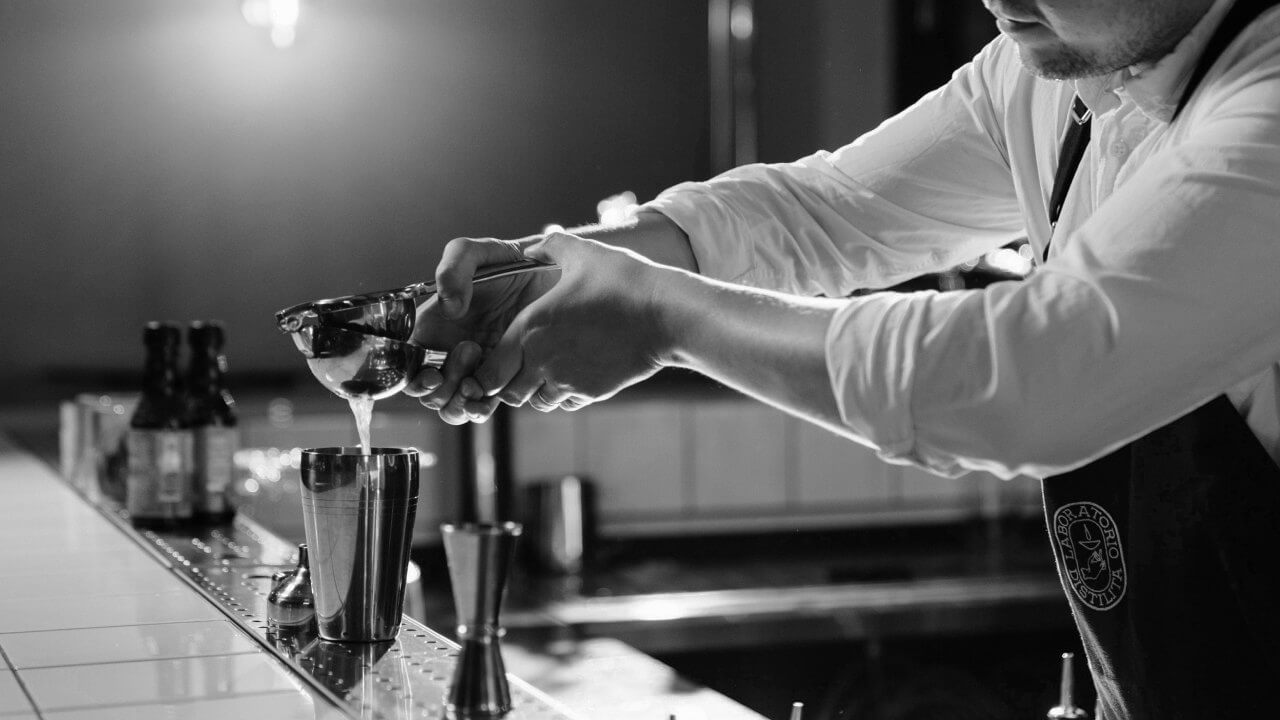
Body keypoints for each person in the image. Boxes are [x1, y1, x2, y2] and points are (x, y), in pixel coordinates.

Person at [406, 0, 1280, 716]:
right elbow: (828, 210)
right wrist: (565, 268)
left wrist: (660, 316)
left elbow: (1026, 377)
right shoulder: (1059, 73)